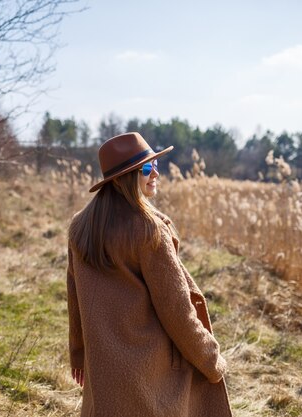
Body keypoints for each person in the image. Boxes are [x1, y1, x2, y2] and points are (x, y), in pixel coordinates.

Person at [67, 132, 232, 417]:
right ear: (125, 177)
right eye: (146, 168)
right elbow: (177, 310)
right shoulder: (148, 230)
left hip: (105, 366)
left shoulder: (81, 226)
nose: (155, 172)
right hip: (150, 369)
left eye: (155, 164)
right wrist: (210, 360)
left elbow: (76, 299)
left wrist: (80, 354)